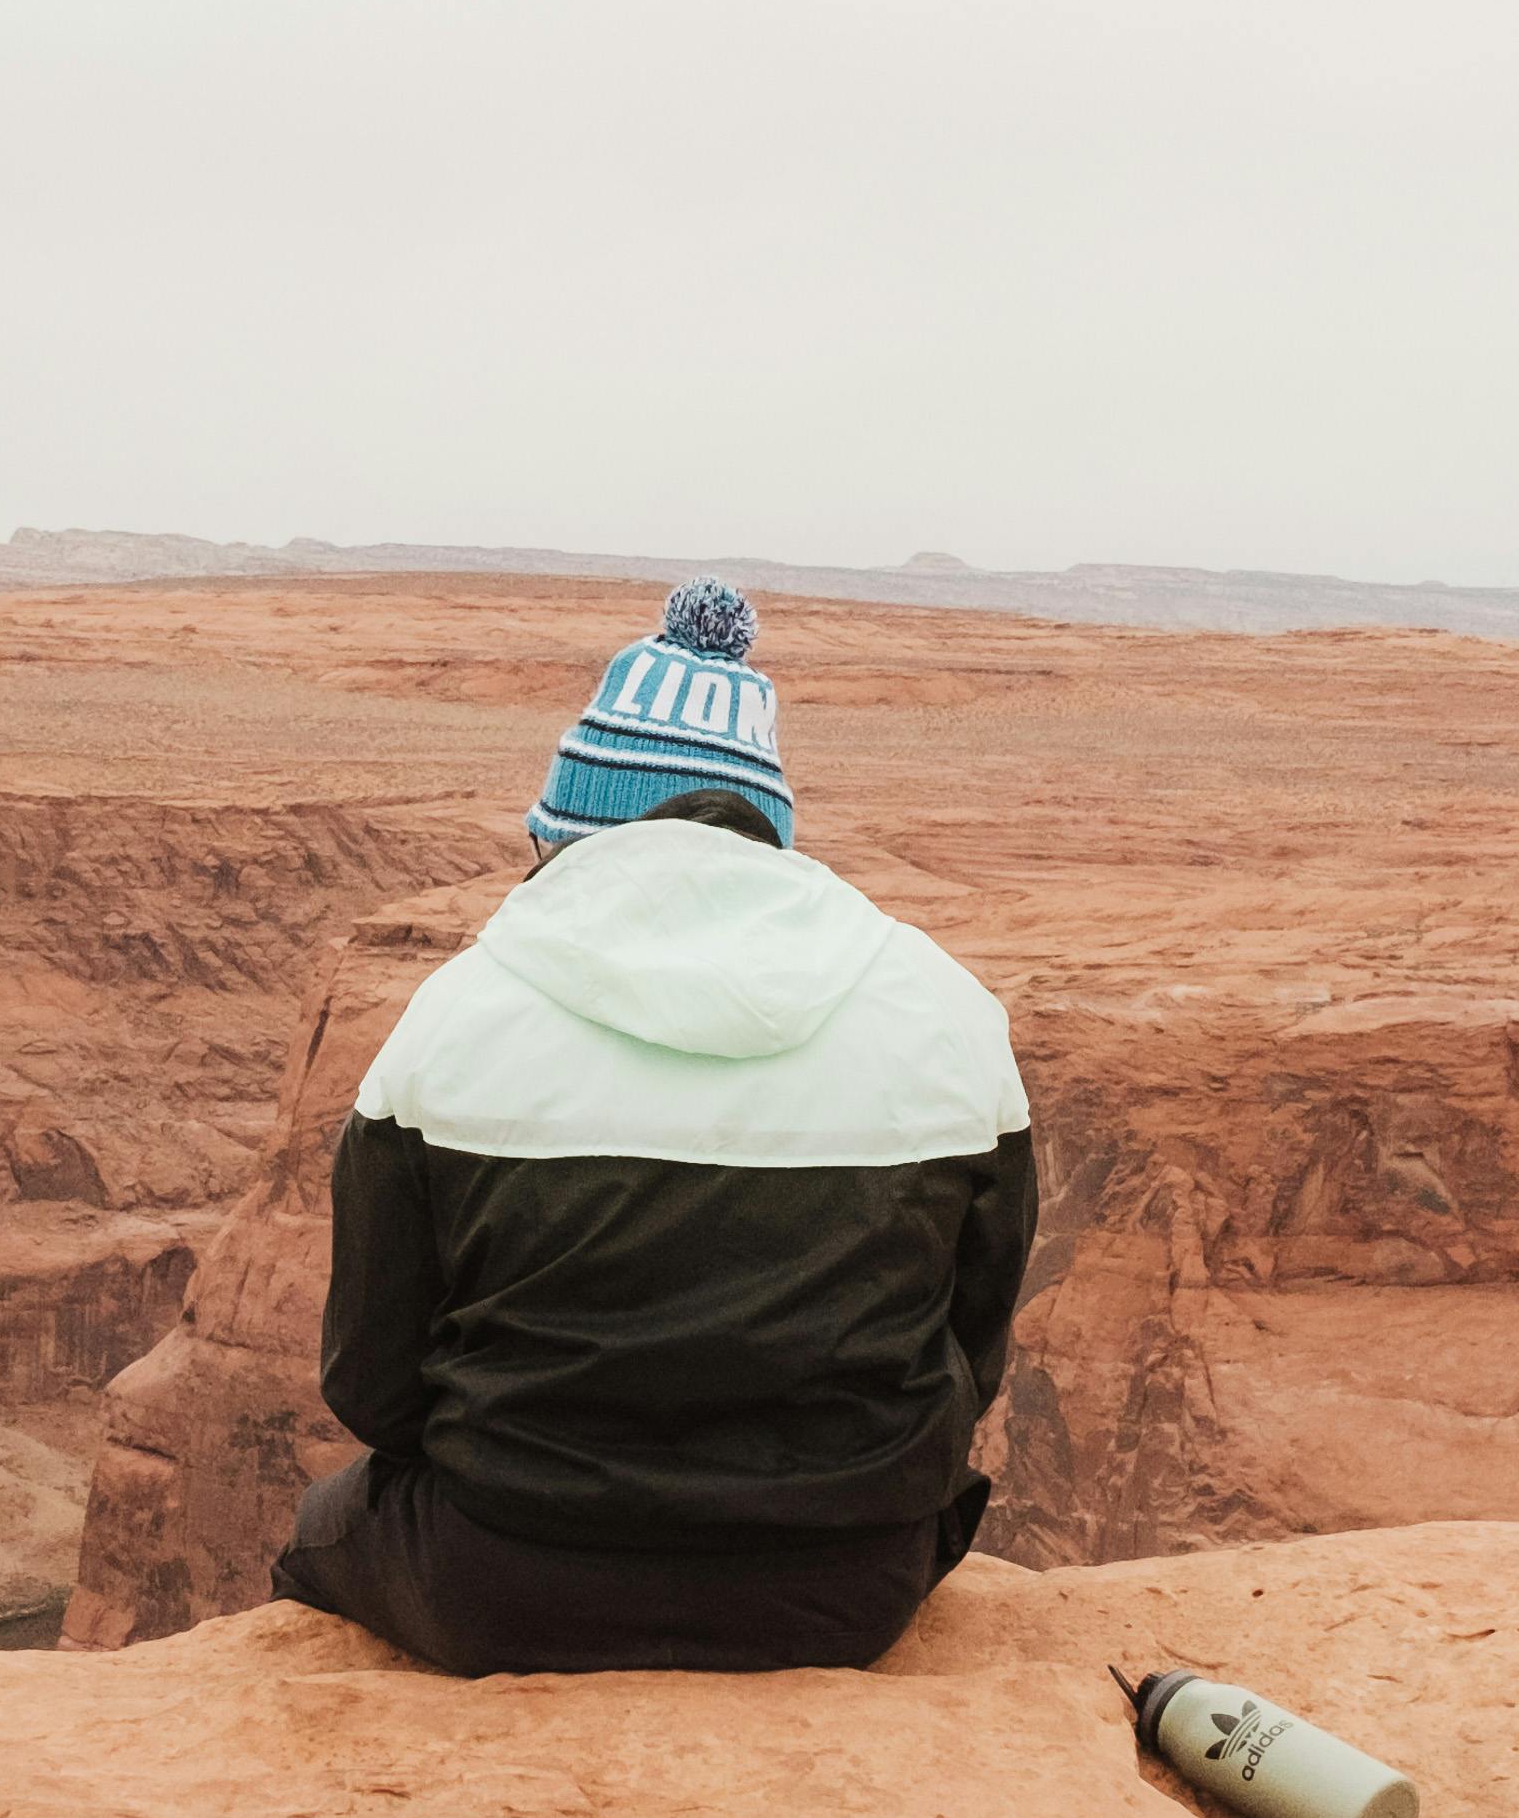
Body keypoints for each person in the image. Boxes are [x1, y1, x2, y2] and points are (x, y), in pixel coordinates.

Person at [271, 578, 1038, 1676]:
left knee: (322, 1531)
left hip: (501, 1585)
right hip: (844, 1591)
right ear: (766, 833)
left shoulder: (455, 1017)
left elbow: (371, 1384)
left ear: (569, 833)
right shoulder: (944, 1009)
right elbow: (970, 1351)